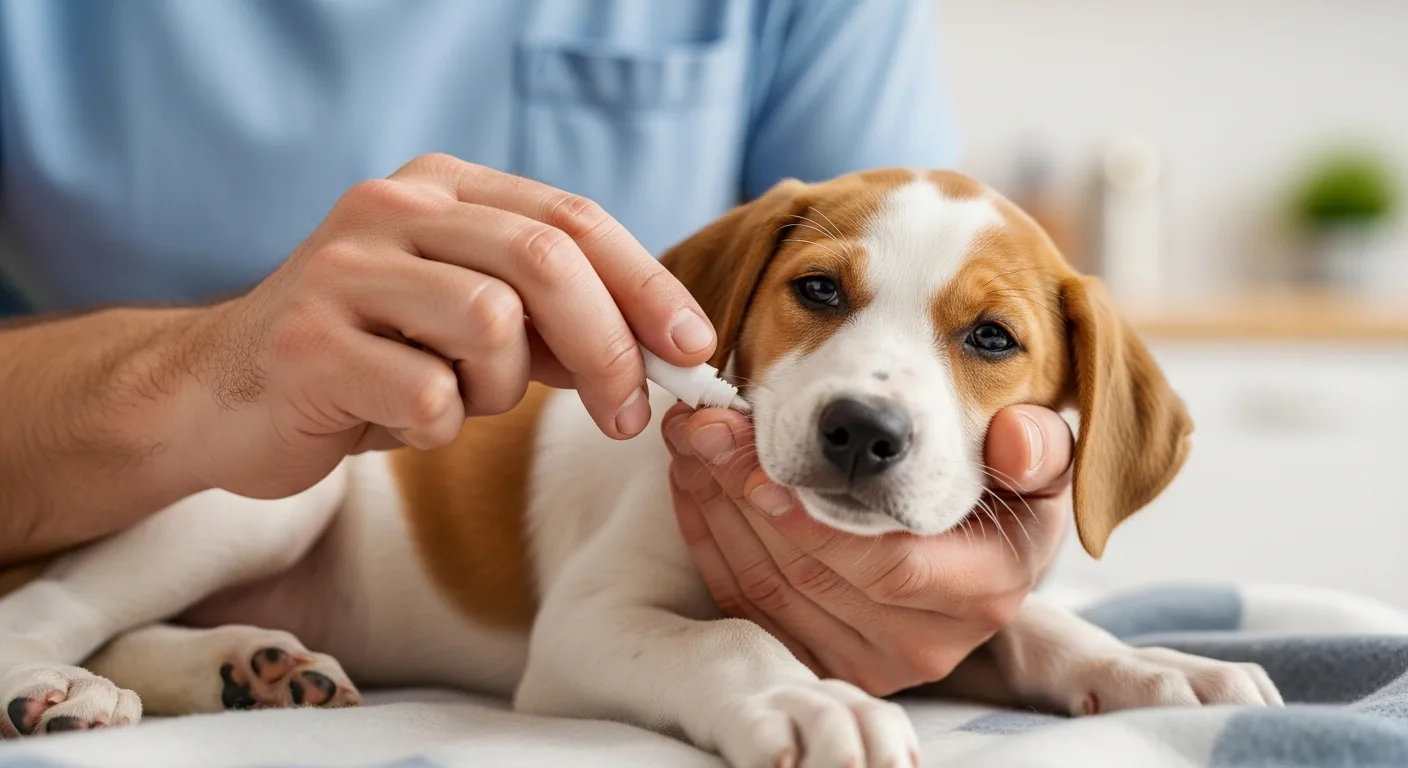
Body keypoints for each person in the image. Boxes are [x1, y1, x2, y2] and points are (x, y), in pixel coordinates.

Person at [0, 0, 1074, 696]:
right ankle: (35, 632)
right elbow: (585, 645)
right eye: (820, 294)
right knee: (283, 469)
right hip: (133, 495)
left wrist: (999, 600)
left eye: (983, 338)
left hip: (319, 617)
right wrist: (192, 375)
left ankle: (149, 660)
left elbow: (906, 239)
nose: (875, 388)